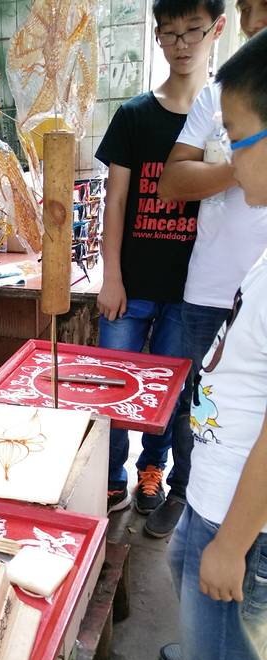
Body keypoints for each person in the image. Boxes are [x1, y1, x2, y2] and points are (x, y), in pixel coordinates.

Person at [145, 28, 267, 660]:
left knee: (226, 601)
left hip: (244, 509)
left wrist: (238, 540)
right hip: (219, 488)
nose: (229, 156)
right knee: (187, 565)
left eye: (238, 137)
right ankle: (205, 654)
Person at [95, 0, 225, 521]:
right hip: (131, 286)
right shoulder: (134, 116)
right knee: (112, 384)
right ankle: (110, 477)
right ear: (157, 37)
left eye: (193, 30)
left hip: (190, 292)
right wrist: (111, 276)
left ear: (216, 30)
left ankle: (153, 468)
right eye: (169, 33)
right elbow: (116, 202)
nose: (182, 44)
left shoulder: (223, 121)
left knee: (168, 393)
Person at [152, 0, 267, 537]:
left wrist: (226, 164)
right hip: (212, 290)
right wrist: (241, 165)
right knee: (200, 409)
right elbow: (172, 183)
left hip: (256, 290)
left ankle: (237, 535)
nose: (254, 21)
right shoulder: (219, 93)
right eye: (248, 8)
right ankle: (190, 499)